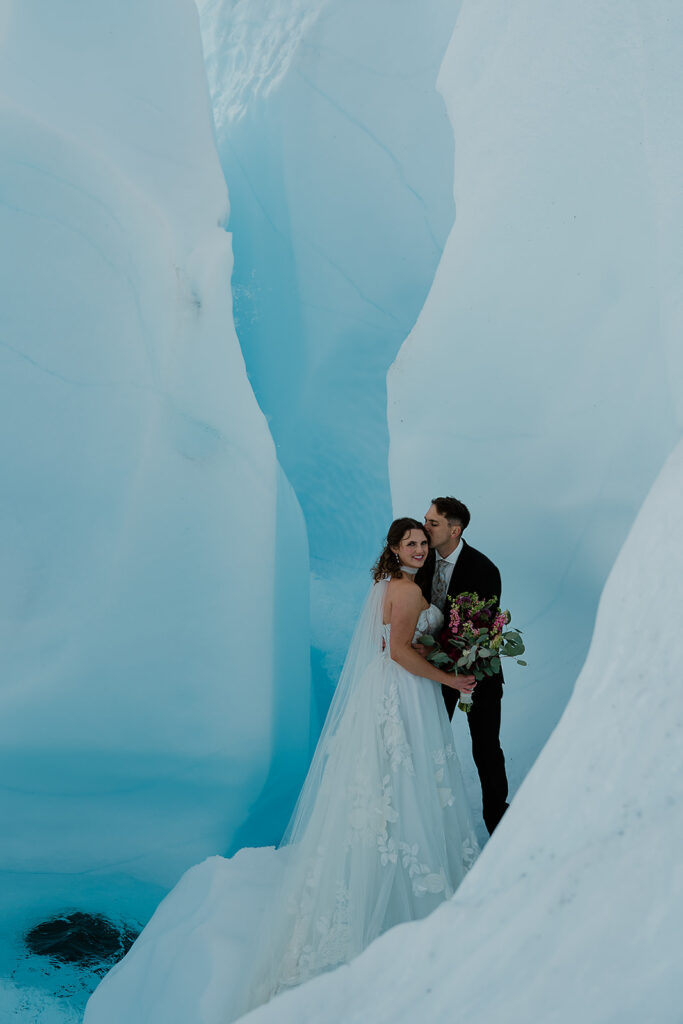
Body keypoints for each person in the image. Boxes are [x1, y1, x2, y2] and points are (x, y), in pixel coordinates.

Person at [239, 519, 479, 1015]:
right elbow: (399, 652)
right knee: (406, 780)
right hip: (406, 692)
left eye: (421, 542)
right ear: (394, 548)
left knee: (384, 782)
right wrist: (449, 680)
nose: (417, 549)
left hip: (381, 690)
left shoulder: (386, 587)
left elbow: (383, 648)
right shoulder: (409, 594)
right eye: (409, 543)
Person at [417, 497, 509, 834]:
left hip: (477, 672)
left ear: (454, 530)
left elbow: (477, 631)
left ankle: (498, 826)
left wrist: (431, 652)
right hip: (432, 674)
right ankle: (427, 825)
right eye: (425, 519)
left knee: (485, 749)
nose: (424, 528)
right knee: (426, 745)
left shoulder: (485, 570)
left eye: (433, 523)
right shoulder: (420, 560)